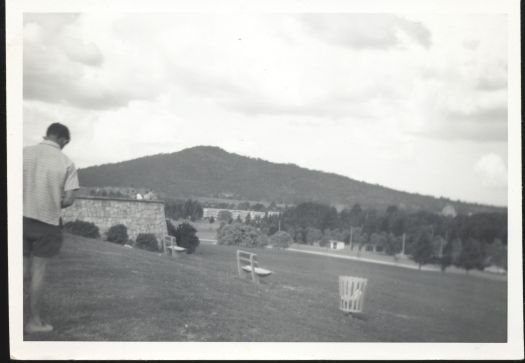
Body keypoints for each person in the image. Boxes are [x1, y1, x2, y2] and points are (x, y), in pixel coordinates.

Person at [23, 123, 79, 334]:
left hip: (20, 217)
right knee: (38, 272)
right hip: (47, 222)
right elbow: (69, 199)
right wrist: (54, 200)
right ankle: (33, 321)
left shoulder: (23, 154)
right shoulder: (66, 162)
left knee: (19, 269)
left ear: (47, 135)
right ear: (63, 140)